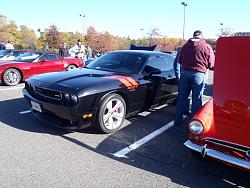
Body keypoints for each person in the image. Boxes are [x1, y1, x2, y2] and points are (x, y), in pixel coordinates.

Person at [174, 30, 215, 126]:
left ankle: (177, 121)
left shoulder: (185, 47)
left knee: (182, 97)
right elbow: (211, 64)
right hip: (198, 75)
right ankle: (193, 124)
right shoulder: (206, 47)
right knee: (196, 99)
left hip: (185, 73)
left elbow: (179, 61)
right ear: (201, 36)